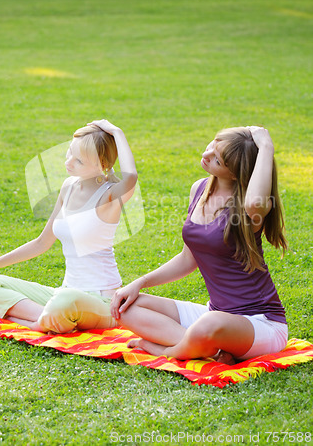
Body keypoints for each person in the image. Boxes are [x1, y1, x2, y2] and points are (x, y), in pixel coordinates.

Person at [111, 126, 288, 363]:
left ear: (235, 173)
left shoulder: (250, 209)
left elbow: (256, 200)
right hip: (214, 314)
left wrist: (266, 146)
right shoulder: (200, 189)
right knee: (125, 306)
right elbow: (188, 258)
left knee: (209, 324)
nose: (206, 155)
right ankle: (211, 351)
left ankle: (168, 350)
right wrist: (139, 283)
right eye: (212, 146)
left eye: (217, 159)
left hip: (260, 324)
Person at [0, 119, 138, 334]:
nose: (69, 162)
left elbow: (132, 177)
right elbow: (41, 242)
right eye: (69, 152)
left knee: (63, 302)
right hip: (64, 293)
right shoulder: (69, 187)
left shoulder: (109, 196)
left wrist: (116, 132)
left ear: (102, 163)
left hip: (100, 301)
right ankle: (46, 320)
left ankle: (37, 320)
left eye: (79, 161)